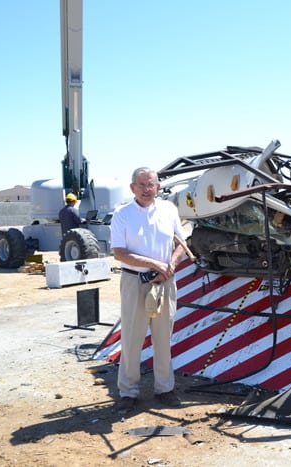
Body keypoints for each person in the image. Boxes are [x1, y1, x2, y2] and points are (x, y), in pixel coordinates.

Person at [110, 167, 186, 412]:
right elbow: (119, 253)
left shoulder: (169, 210)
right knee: (132, 338)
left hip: (165, 281)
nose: (146, 189)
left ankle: (165, 388)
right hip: (135, 282)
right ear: (132, 187)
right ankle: (128, 391)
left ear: (158, 187)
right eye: (141, 185)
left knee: (163, 337)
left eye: (150, 184)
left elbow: (181, 243)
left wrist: (171, 265)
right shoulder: (122, 214)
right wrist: (153, 263)